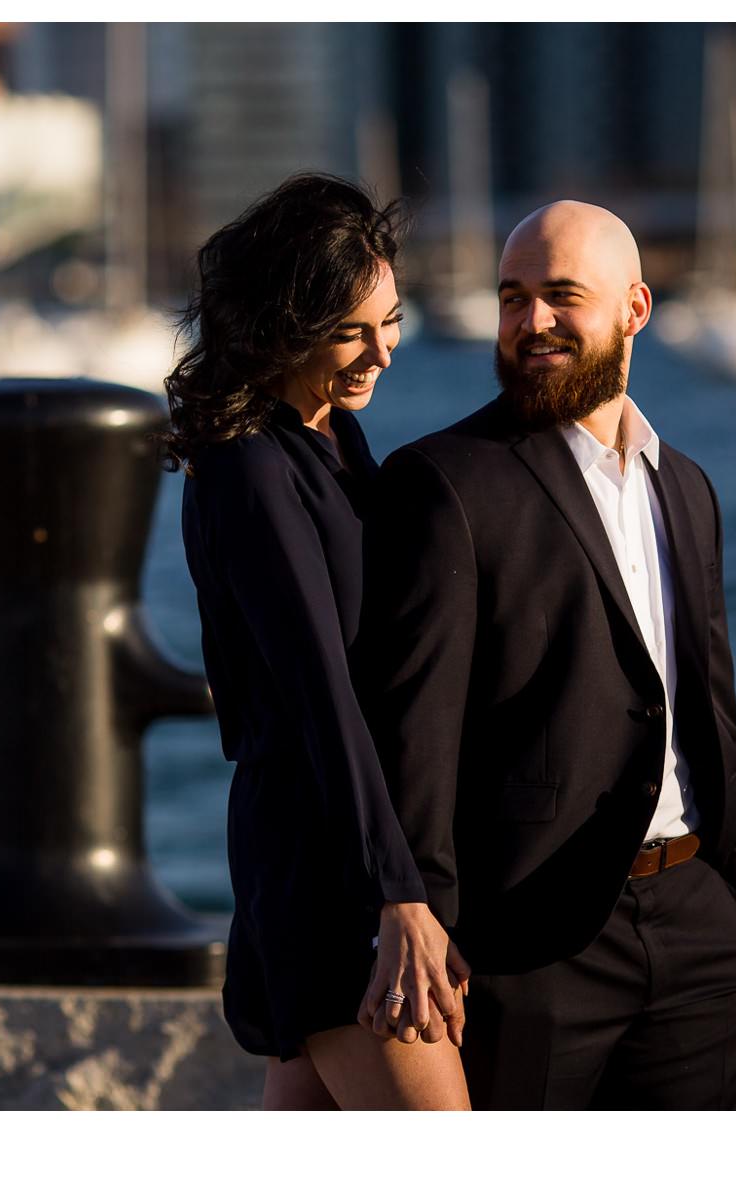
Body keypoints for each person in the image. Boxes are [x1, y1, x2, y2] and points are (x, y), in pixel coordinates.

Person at [359, 200, 736, 1110]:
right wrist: (421, 909)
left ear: (636, 308)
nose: (531, 321)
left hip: (700, 928)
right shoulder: (443, 481)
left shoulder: (685, 485)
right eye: (513, 297)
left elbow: (711, 696)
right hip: (532, 949)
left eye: (560, 296)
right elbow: (413, 724)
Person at [165, 174, 470, 1110]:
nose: (382, 352)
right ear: (277, 326)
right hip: (331, 873)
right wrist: (399, 899)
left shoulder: (329, 436)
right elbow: (318, 696)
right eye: (351, 331)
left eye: (392, 320)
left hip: (330, 851)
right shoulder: (251, 470)